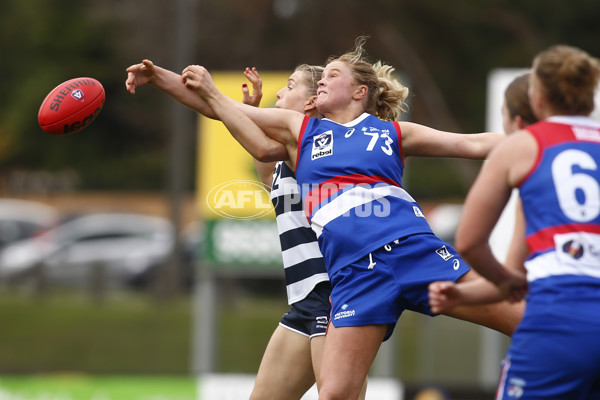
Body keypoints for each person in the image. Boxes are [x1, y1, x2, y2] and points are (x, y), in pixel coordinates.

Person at [166, 36, 525, 400]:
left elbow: (472, 144)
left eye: (332, 74)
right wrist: (175, 81)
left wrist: (545, 139)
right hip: (354, 275)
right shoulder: (301, 133)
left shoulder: (389, 133)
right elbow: (237, 122)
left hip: (409, 253)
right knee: (336, 394)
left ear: (359, 91)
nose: (321, 79)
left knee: (532, 320)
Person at [126, 61, 367, 399]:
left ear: (311, 102)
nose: (280, 91)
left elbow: (245, 130)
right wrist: (159, 77)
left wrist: (219, 97)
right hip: (304, 303)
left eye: (291, 85)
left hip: (333, 299)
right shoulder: (286, 157)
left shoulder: (317, 147)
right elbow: (249, 143)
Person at [443, 45, 600, 398]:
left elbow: (468, 242)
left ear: (538, 98)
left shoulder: (523, 146)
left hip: (558, 319)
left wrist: (505, 281)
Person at [429, 72, 538, 309]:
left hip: (560, 304)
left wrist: (500, 280)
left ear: (518, 123)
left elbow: (469, 244)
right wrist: (463, 295)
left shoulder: (532, 180)